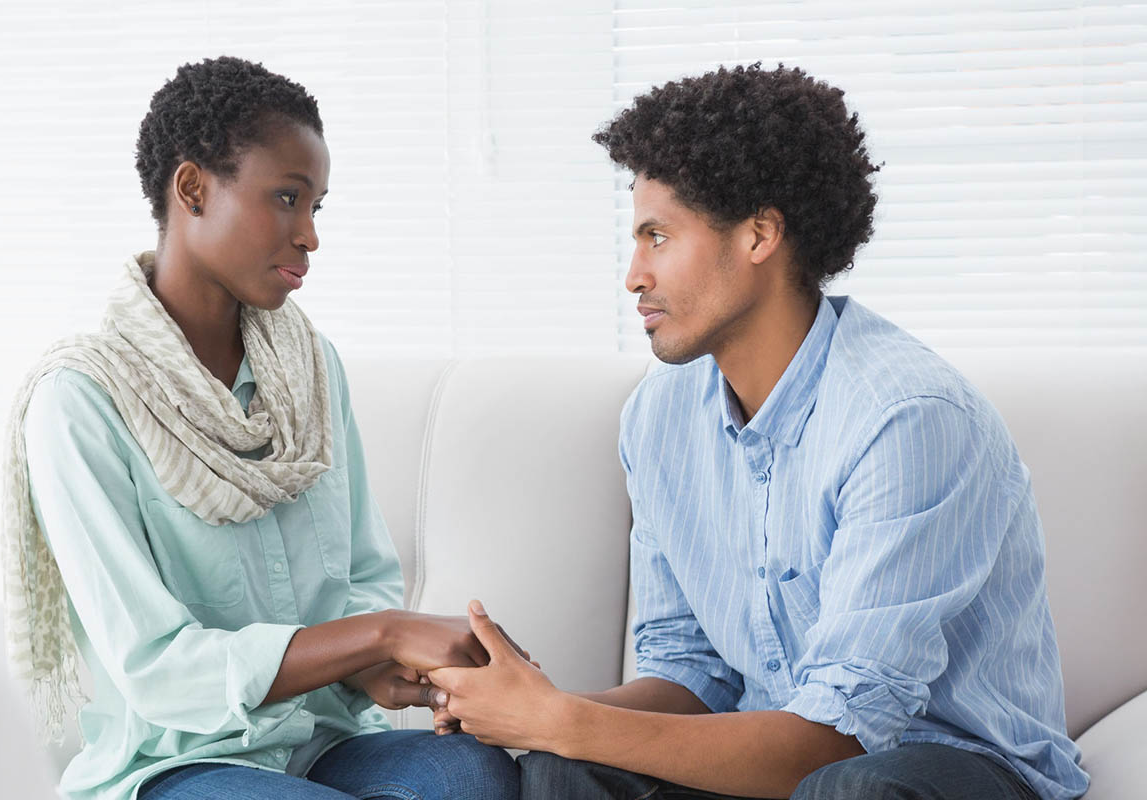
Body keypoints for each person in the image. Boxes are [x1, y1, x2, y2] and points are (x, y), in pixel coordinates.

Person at [425, 64, 1090, 800]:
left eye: (658, 237)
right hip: (769, 755)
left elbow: (836, 738)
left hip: (944, 764)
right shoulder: (660, 416)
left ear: (759, 235)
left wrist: (566, 721)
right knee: (564, 767)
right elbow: (692, 674)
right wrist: (526, 712)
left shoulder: (906, 417)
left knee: (854, 790)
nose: (634, 276)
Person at [1, 56, 520, 800]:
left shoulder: (311, 366)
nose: (309, 235)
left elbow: (363, 575)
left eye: (316, 207)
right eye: (286, 197)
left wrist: (379, 665)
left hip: (323, 741)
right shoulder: (82, 399)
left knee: (474, 773)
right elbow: (156, 669)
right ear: (192, 189)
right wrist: (383, 634)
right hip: (179, 763)